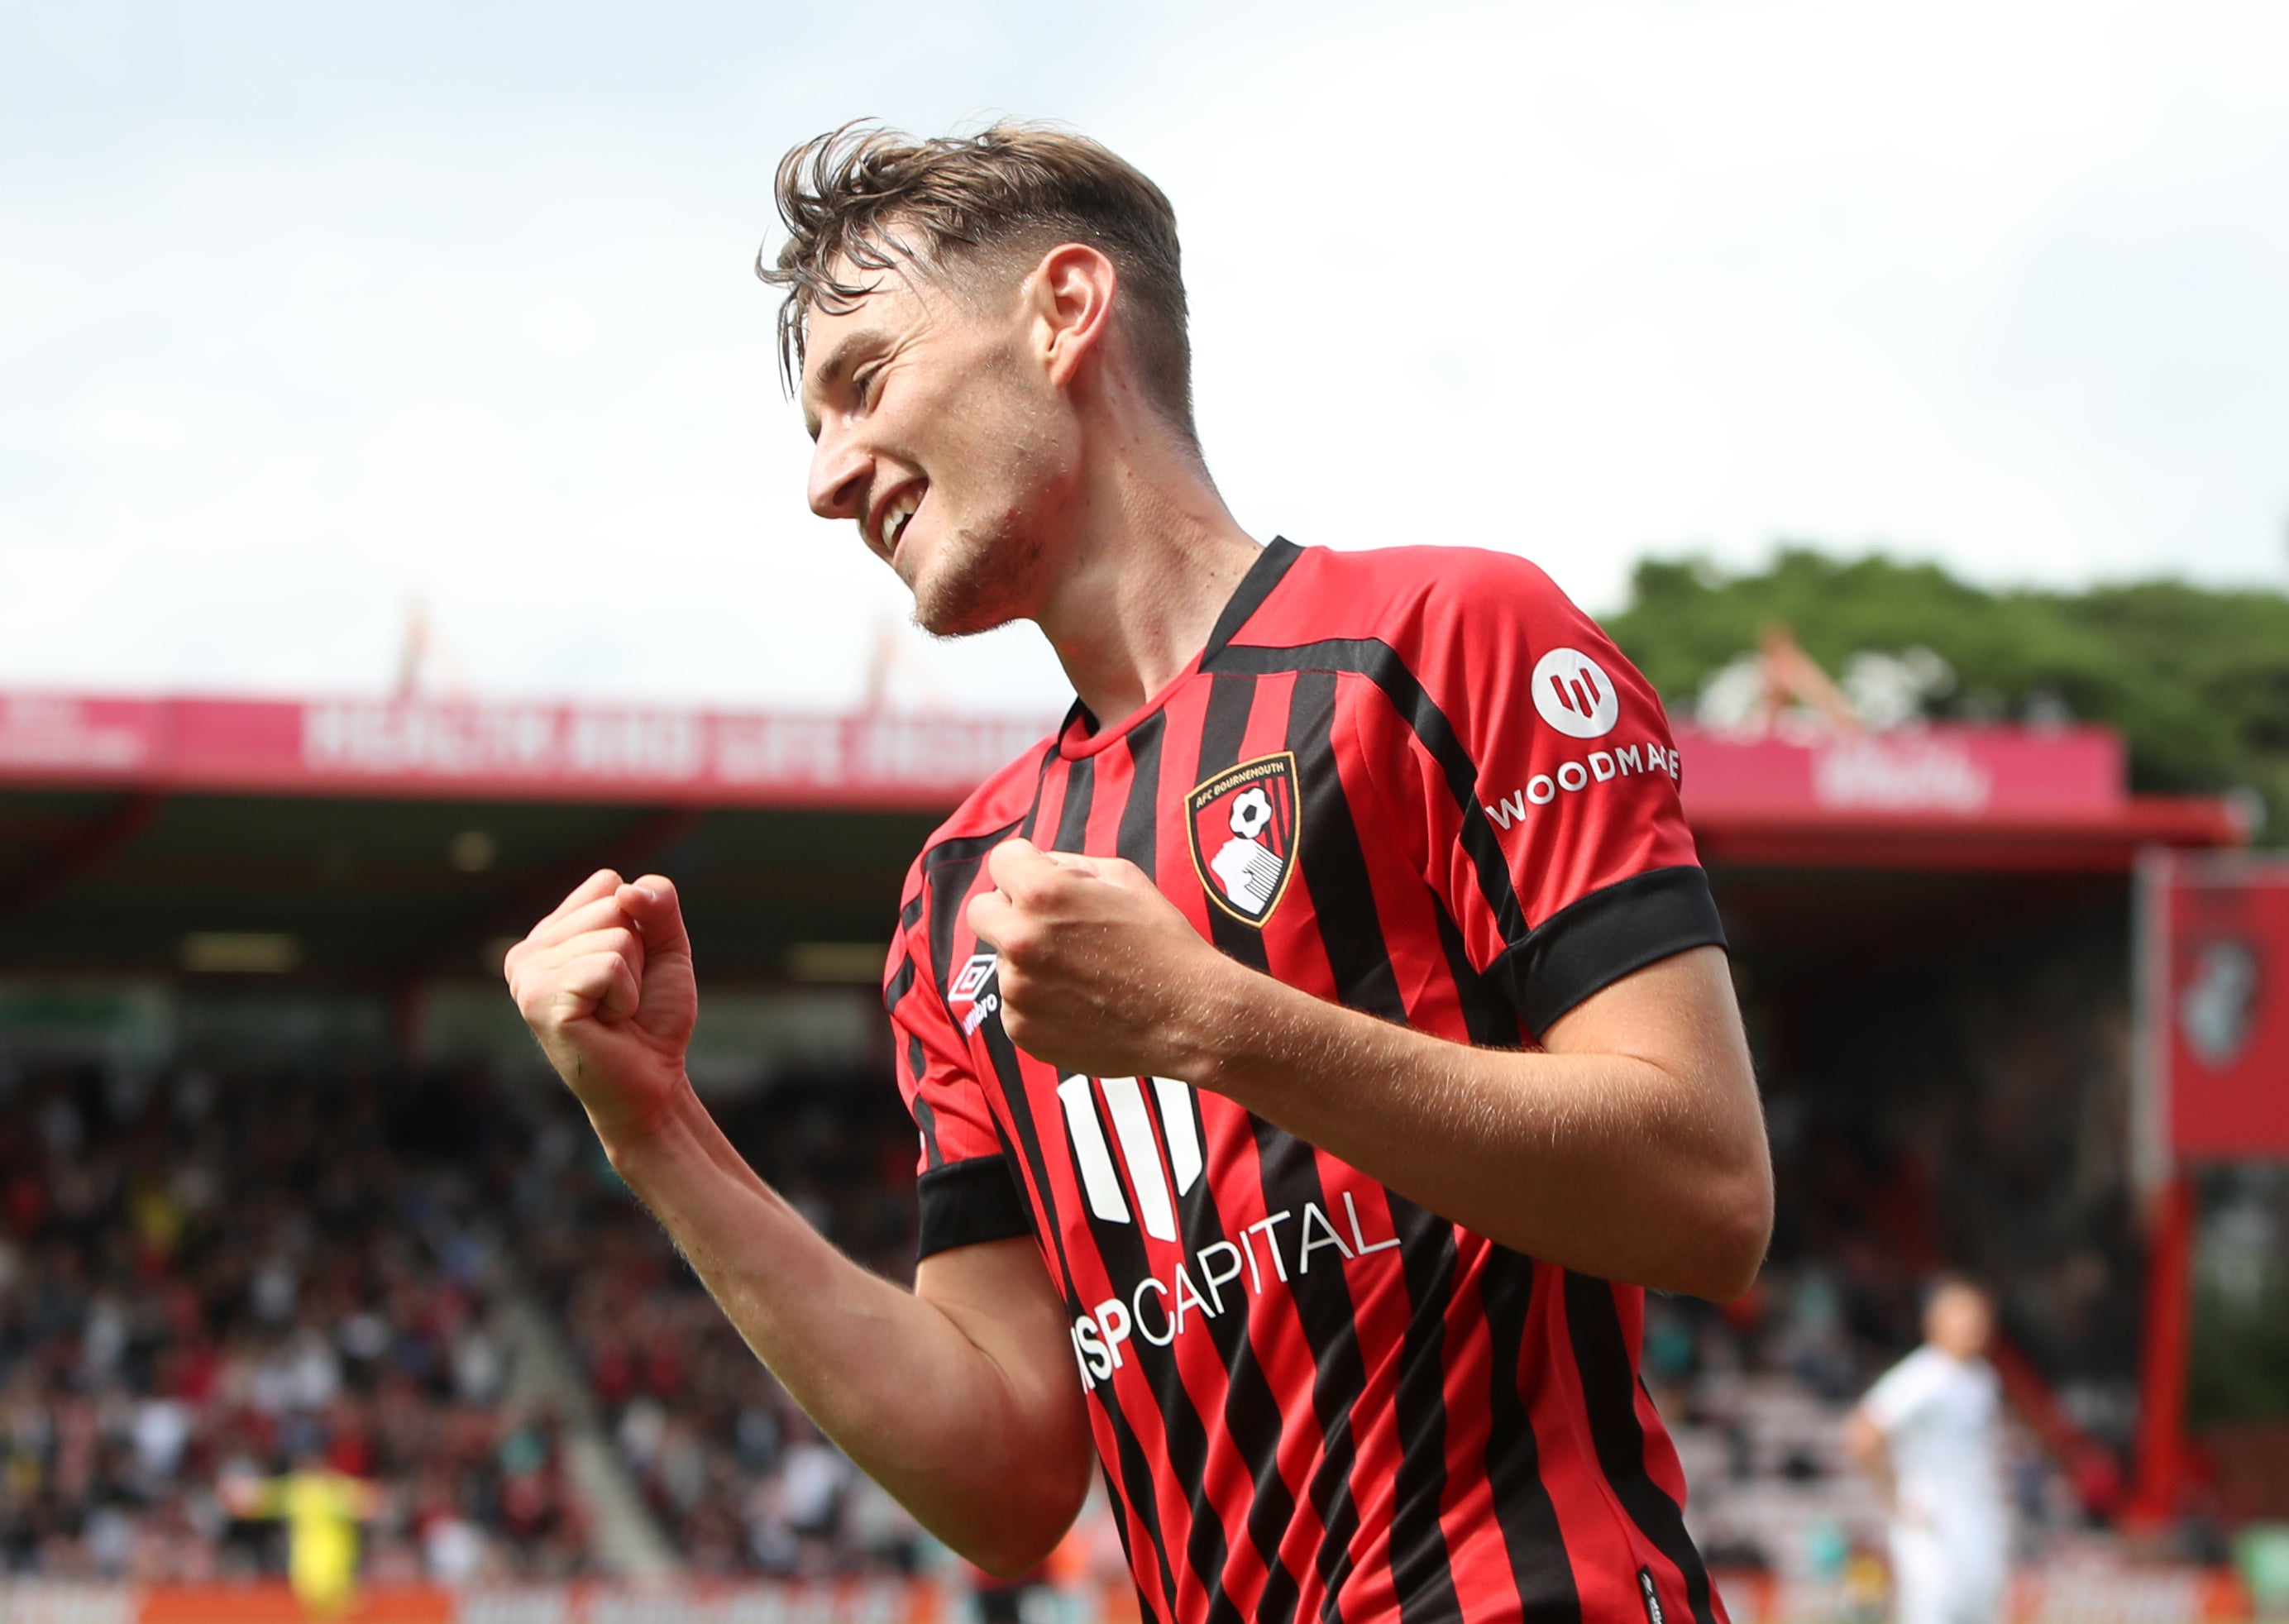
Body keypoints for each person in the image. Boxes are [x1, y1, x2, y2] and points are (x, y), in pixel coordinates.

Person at [507, 121, 1772, 1624]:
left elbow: (1704, 1190)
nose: (828, 481)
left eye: (862, 381)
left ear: (1062, 310)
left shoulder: (1444, 643)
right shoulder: (957, 893)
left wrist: (1210, 1022)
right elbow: (1006, 1478)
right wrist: (653, 1129)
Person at [1846, 1278, 2009, 1624]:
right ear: (1936, 1322)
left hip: (1977, 1529)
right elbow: (1864, 1431)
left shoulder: (1984, 1380)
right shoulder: (1924, 1375)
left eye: (1980, 1316)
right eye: (1964, 1314)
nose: (1975, 1325)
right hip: (1932, 1534)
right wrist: (1895, 1495)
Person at [221, 1449, 383, 1618]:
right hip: (315, 1564)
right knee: (324, 1609)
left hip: (328, 1563)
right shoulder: (321, 1488)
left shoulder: (313, 1490)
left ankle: (351, 1599)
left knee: (327, 1605)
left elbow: (260, 1497)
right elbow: (369, 1501)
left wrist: (238, 1496)